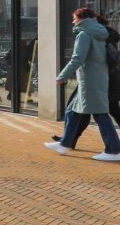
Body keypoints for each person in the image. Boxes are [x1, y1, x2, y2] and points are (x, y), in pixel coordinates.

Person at [46, 8, 120, 162]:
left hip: (90, 80)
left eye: (74, 19)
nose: (73, 22)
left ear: (82, 19)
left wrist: (62, 76)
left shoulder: (85, 34)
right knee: (73, 110)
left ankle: (113, 150)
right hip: (96, 78)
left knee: (100, 114)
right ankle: (65, 143)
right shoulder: (99, 32)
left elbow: (77, 59)